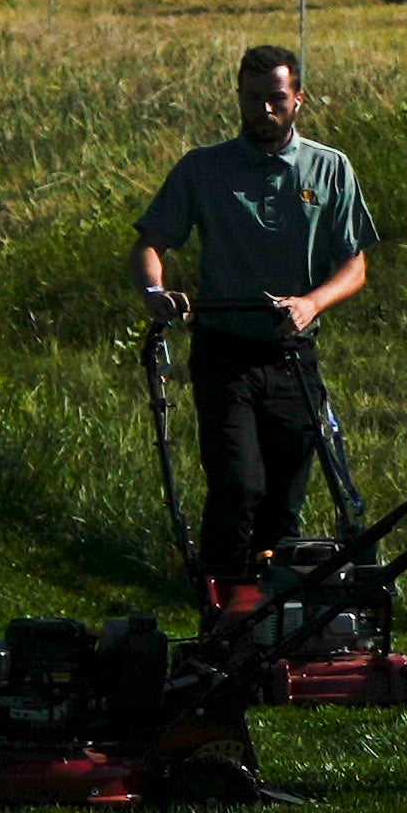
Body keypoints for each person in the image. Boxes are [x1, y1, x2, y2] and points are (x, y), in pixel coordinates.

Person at [131, 44, 374, 606]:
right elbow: (151, 243)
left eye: (275, 98)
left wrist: (312, 304)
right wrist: (155, 292)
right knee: (238, 486)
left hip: (294, 354)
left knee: (285, 500)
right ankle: (220, 612)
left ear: (298, 100)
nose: (264, 110)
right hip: (224, 353)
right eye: (252, 99)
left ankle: (274, 618)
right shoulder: (204, 168)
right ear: (237, 99)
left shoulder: (329, 167)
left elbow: (355, 265)